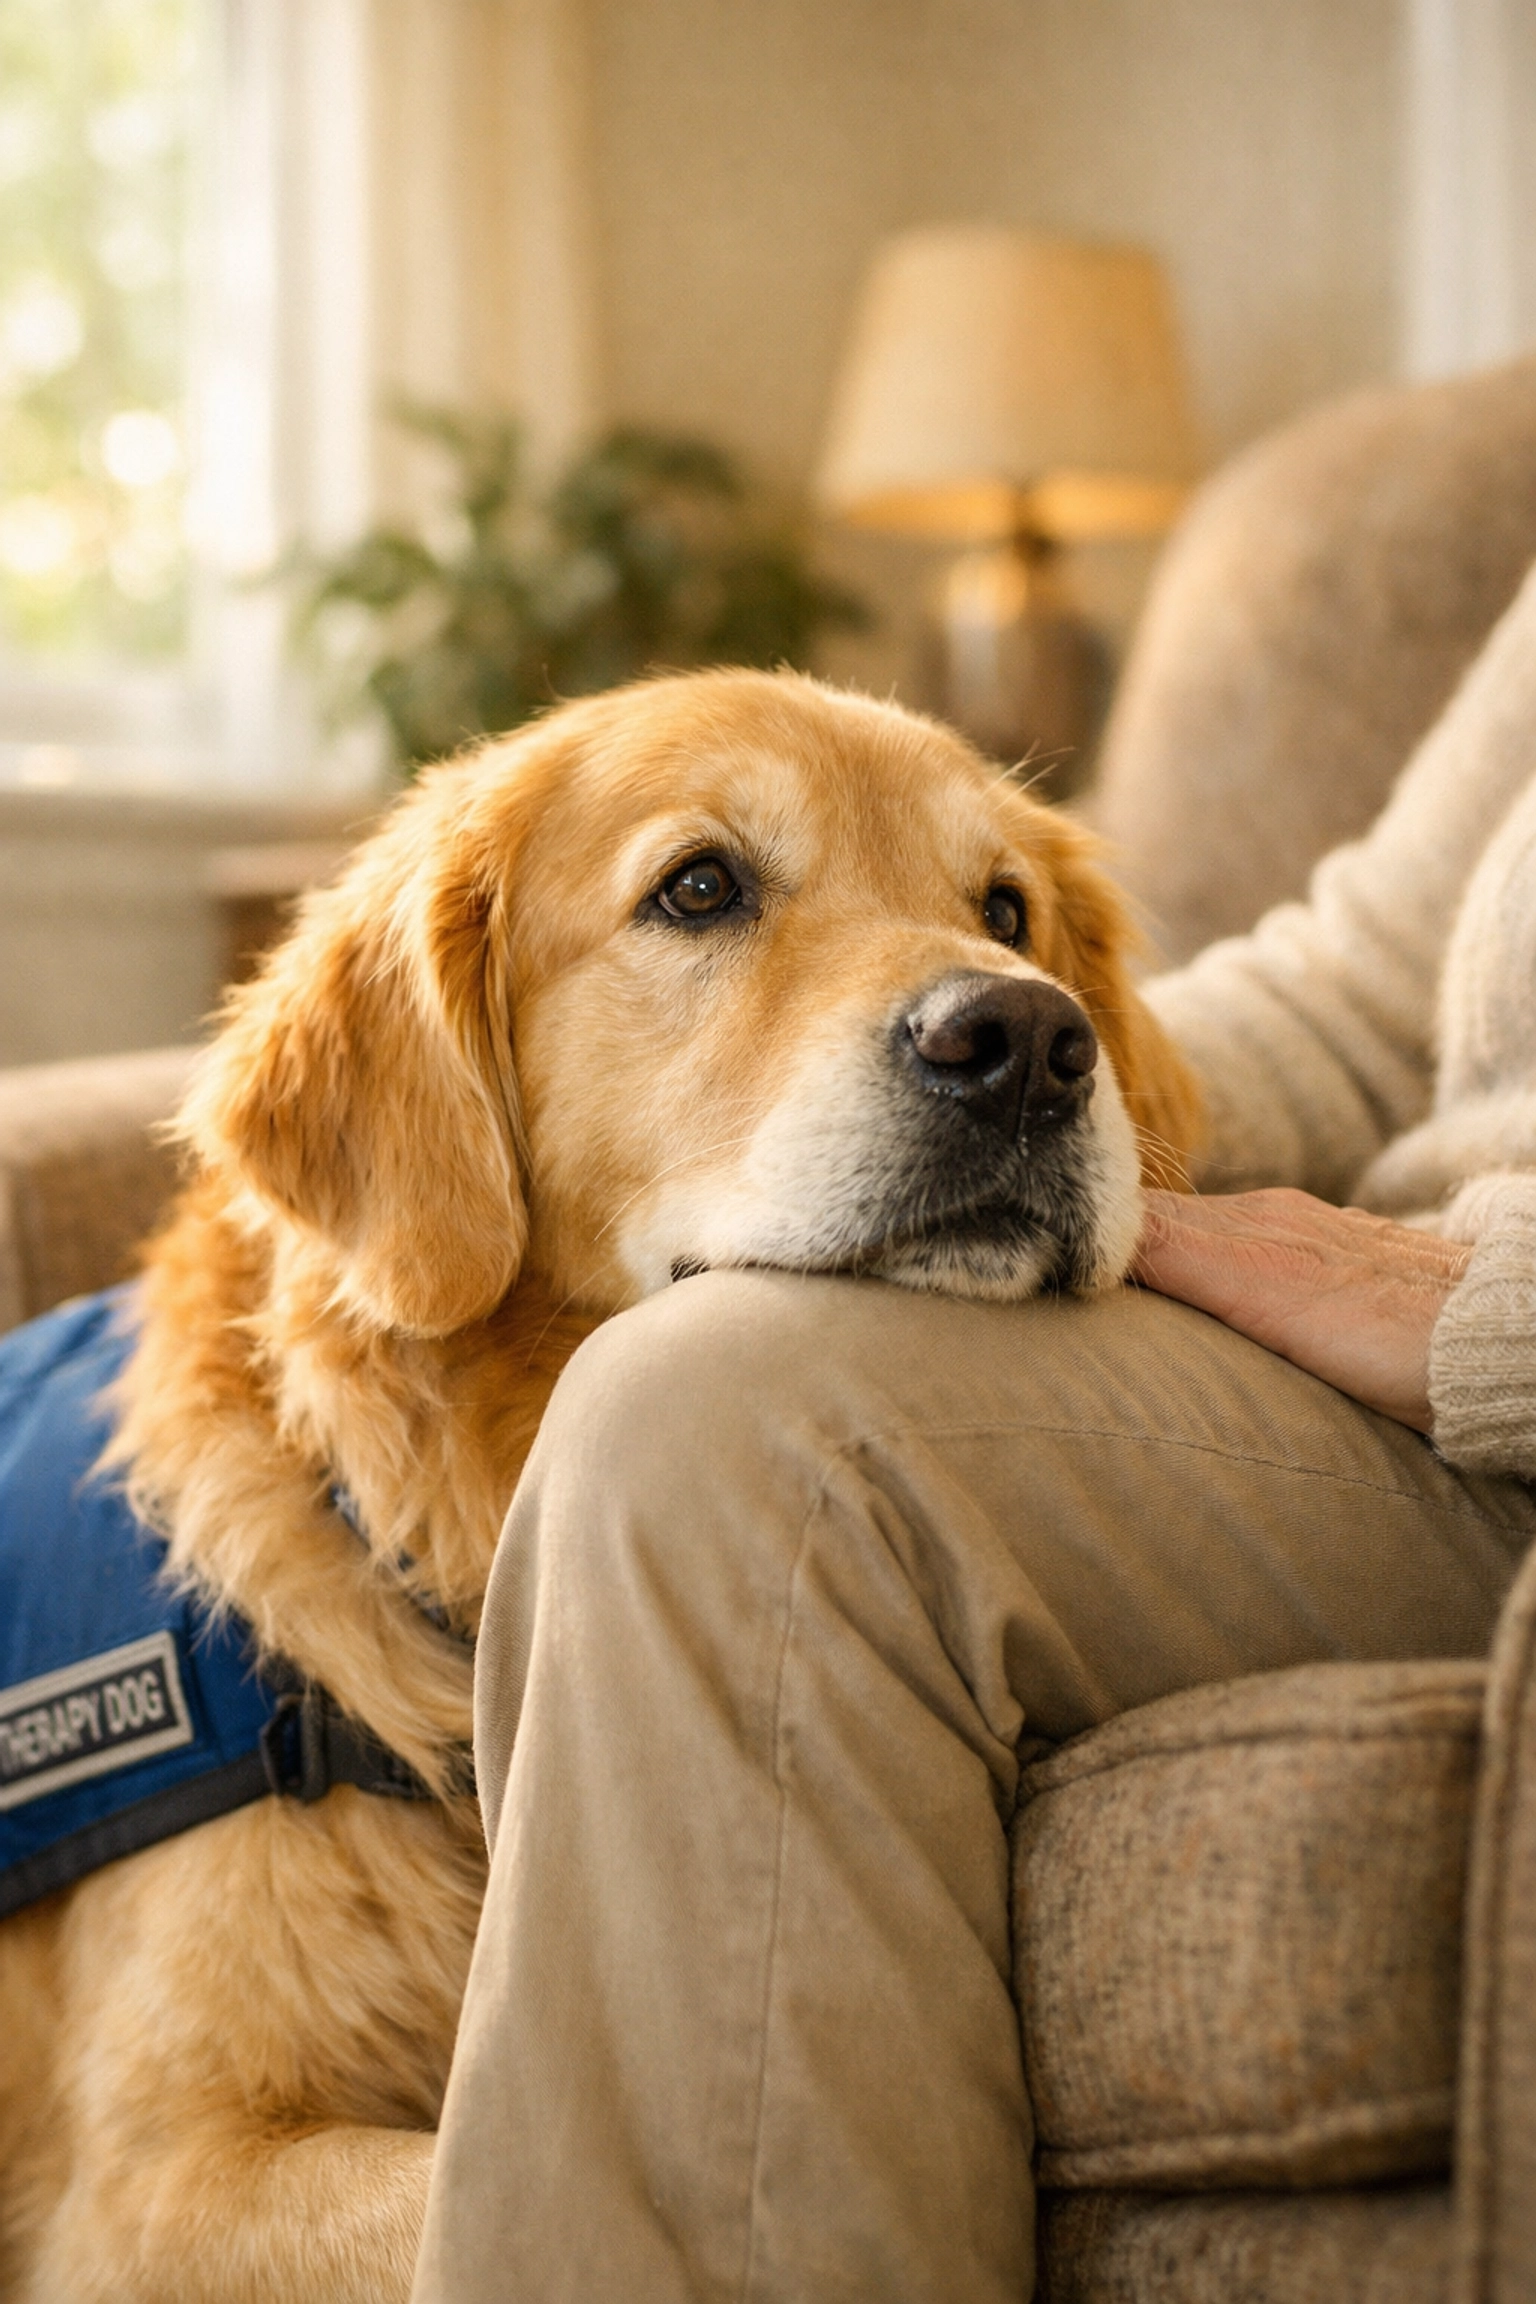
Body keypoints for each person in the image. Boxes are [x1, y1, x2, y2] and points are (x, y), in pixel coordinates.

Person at [410, 563, 1536, 2304]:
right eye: (706, 890)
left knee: (733, 1431)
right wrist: (1031, 1077)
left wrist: (1488, 1307)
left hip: (1496, 1383)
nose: (982, 989)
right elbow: (1364, 991)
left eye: (993, 920)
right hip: (1378, 1334)